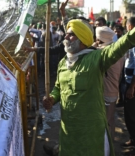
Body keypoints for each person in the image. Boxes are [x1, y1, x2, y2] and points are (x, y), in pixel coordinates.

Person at [43, 18, 135, 156]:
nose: (66, 37)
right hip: (68, 130)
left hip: (91, 131)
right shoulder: (63, 62)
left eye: (71, 34)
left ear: (82, 39)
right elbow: (58, 88)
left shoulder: (97, 58)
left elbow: (123, 43)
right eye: (67, 33)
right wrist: (52, 98)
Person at [93, 26, 125, 140]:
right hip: (113, 91)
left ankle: (105, 147)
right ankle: (110, 143)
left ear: (99, 39)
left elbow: (86, 54)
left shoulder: (101, 52)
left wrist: (94, 45)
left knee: (103, 122)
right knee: (110, 119)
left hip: (104, 92)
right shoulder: (119, 51)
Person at [120, 17, 135, 155]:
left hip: (132, 83)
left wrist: (132, 87)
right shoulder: (130, 42)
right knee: (129, 114)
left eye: (127, 26)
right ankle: (132, 138)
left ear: (130, 26)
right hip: (127, 80)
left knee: (131, 115)